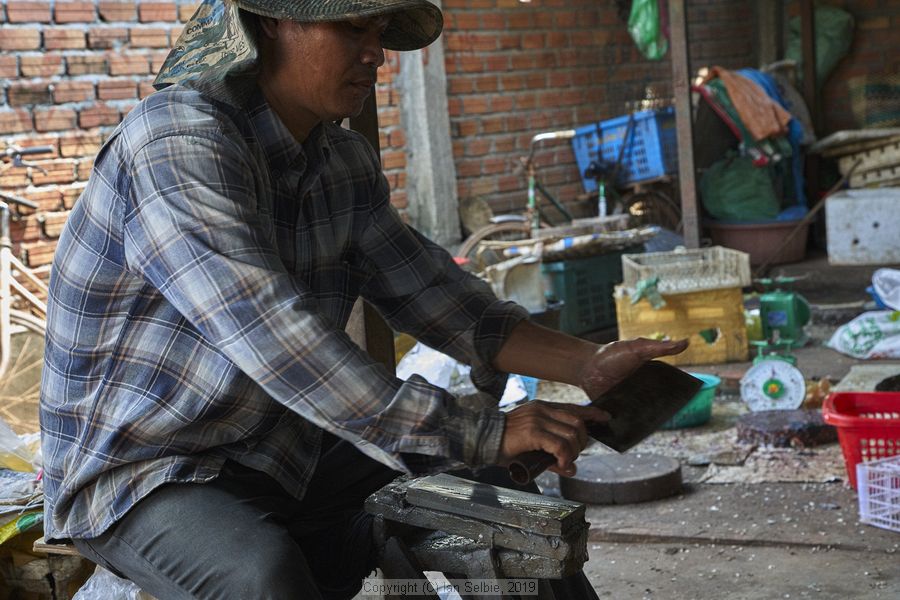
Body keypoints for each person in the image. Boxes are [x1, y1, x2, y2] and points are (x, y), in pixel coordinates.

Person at [39, 0, 688, 598]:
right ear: (271, 22)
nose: (376, 53)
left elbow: (445, 301)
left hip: (284, 443)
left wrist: (588, 365)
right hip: (147, 467)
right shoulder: (176, 143)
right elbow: (274, 338)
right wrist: (481, 430)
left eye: (378, 32)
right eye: (353, 27)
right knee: (262, 579)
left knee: (510, 517)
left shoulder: (341, 162)